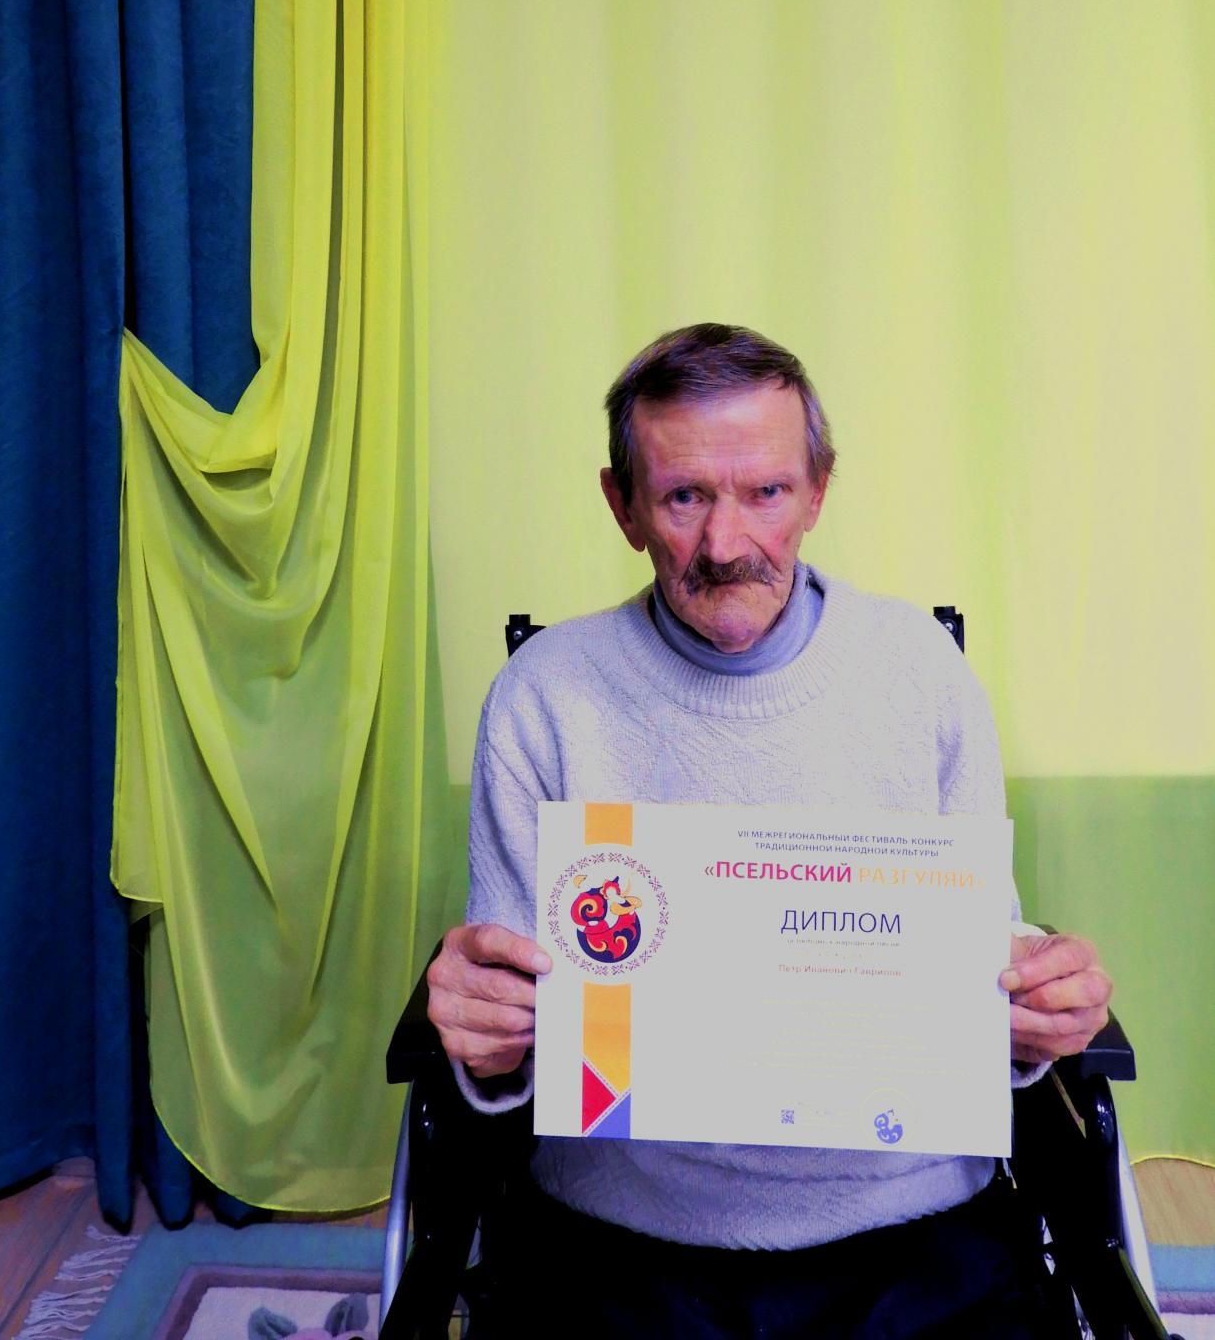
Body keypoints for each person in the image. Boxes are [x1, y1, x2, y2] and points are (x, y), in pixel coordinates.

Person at [427, 324, 1113, 1338]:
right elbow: (511, 1038)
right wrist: (483, 1031)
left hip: (909, 1223)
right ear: (621, 505)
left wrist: (1040, 1005)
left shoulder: (921, 675)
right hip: (624, 1228)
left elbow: (987, 976)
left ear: (819, 491)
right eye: (683, 496)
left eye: (766, 492)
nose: (725, 545)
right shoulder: (545, 698)